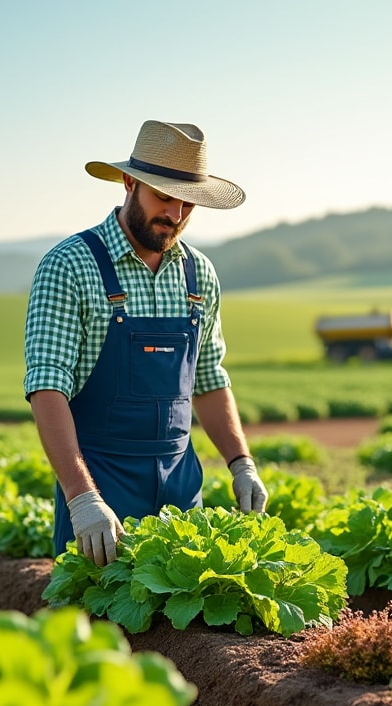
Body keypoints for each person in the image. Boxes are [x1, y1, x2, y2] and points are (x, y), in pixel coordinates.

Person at [23, 119, 268, 567]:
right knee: (94, 611)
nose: (176, 214)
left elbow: (209, 379)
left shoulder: (199, 274)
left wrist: (240, 463)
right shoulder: (70, 265)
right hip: (101, 487)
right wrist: (81, 498)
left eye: (188, 202)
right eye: (164, 197)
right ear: (129, 183)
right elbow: (47, 387)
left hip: (181, 491)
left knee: (187, 608)